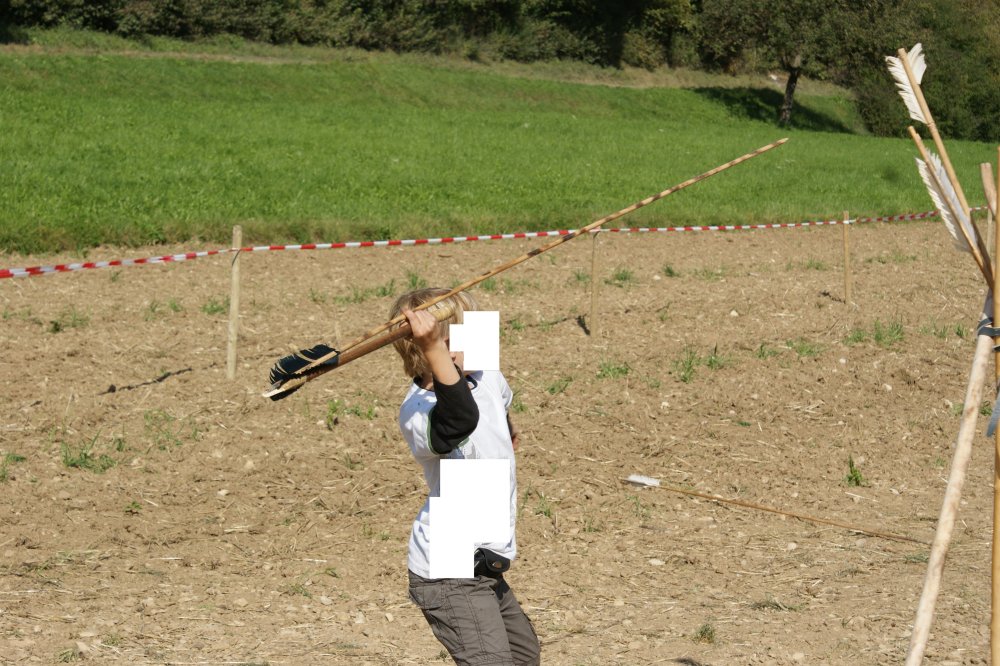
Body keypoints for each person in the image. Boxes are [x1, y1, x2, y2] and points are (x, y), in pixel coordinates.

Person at [390, 287, 541, 666]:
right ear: (438, 350)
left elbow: (498, 398)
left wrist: (507, 429)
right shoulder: (419, 411)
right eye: (467, 330)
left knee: (524, 657)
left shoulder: (485, 374)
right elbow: (461, 417)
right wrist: (433, 348)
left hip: (485, 560)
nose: (483, 336)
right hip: (449, 563)